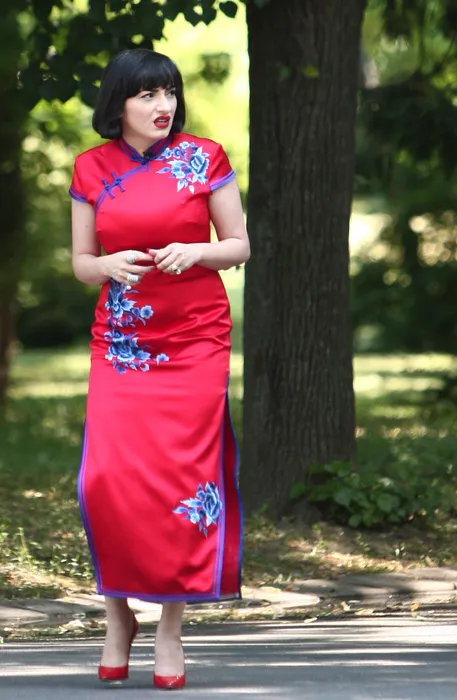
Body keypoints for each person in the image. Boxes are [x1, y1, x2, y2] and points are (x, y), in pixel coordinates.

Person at [69, 48, 250, 690]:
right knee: (107, 480)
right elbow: (81, 262)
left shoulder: (206, 157)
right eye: (147, 94)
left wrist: (196, 252)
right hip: (122, 344)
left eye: (169, 92)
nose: (163, 105)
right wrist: (105, 266)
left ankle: (171, 626)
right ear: (118, 104)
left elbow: (239, 245)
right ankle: (118, 614)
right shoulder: (90, 167)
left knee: (182, 478)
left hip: (196, 339)